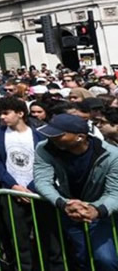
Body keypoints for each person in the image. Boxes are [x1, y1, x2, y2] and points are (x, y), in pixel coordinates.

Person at [34, 113, 118, 270]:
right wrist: (64, 203)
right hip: (70, 210)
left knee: (106, 259)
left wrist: (95, 210)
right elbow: (42, 181)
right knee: (81, 257)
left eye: (58, 135)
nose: (51, 138)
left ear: (80, 137)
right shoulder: (45, 148)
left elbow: (115, 193)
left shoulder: (111, 155)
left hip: (101, 213)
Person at [0, 96, 62, 270]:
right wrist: (13, 186)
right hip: (11, 194)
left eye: (6, 113)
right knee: (19, 240)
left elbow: (49, 162)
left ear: (20, 113)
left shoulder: (39, 133)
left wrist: (31, 188)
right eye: (0, 114)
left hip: (40, 193)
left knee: (50, 239)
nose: (2, 117)